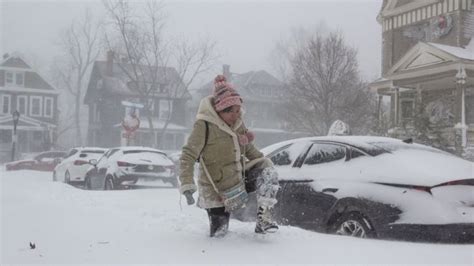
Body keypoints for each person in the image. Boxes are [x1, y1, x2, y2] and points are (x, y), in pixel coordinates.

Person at [179, 75, 280, 237]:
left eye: (237, 110)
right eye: (230, 111)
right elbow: (188, 155)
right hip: (215, 189)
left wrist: (266, 167)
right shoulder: (204, 125)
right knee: (220, 234)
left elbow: (250, 150)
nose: (235, 115)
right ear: (219, 110)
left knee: (267, 168)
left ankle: (264, 218)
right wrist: (187, 184)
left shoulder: (238, 124)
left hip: (238, 180)